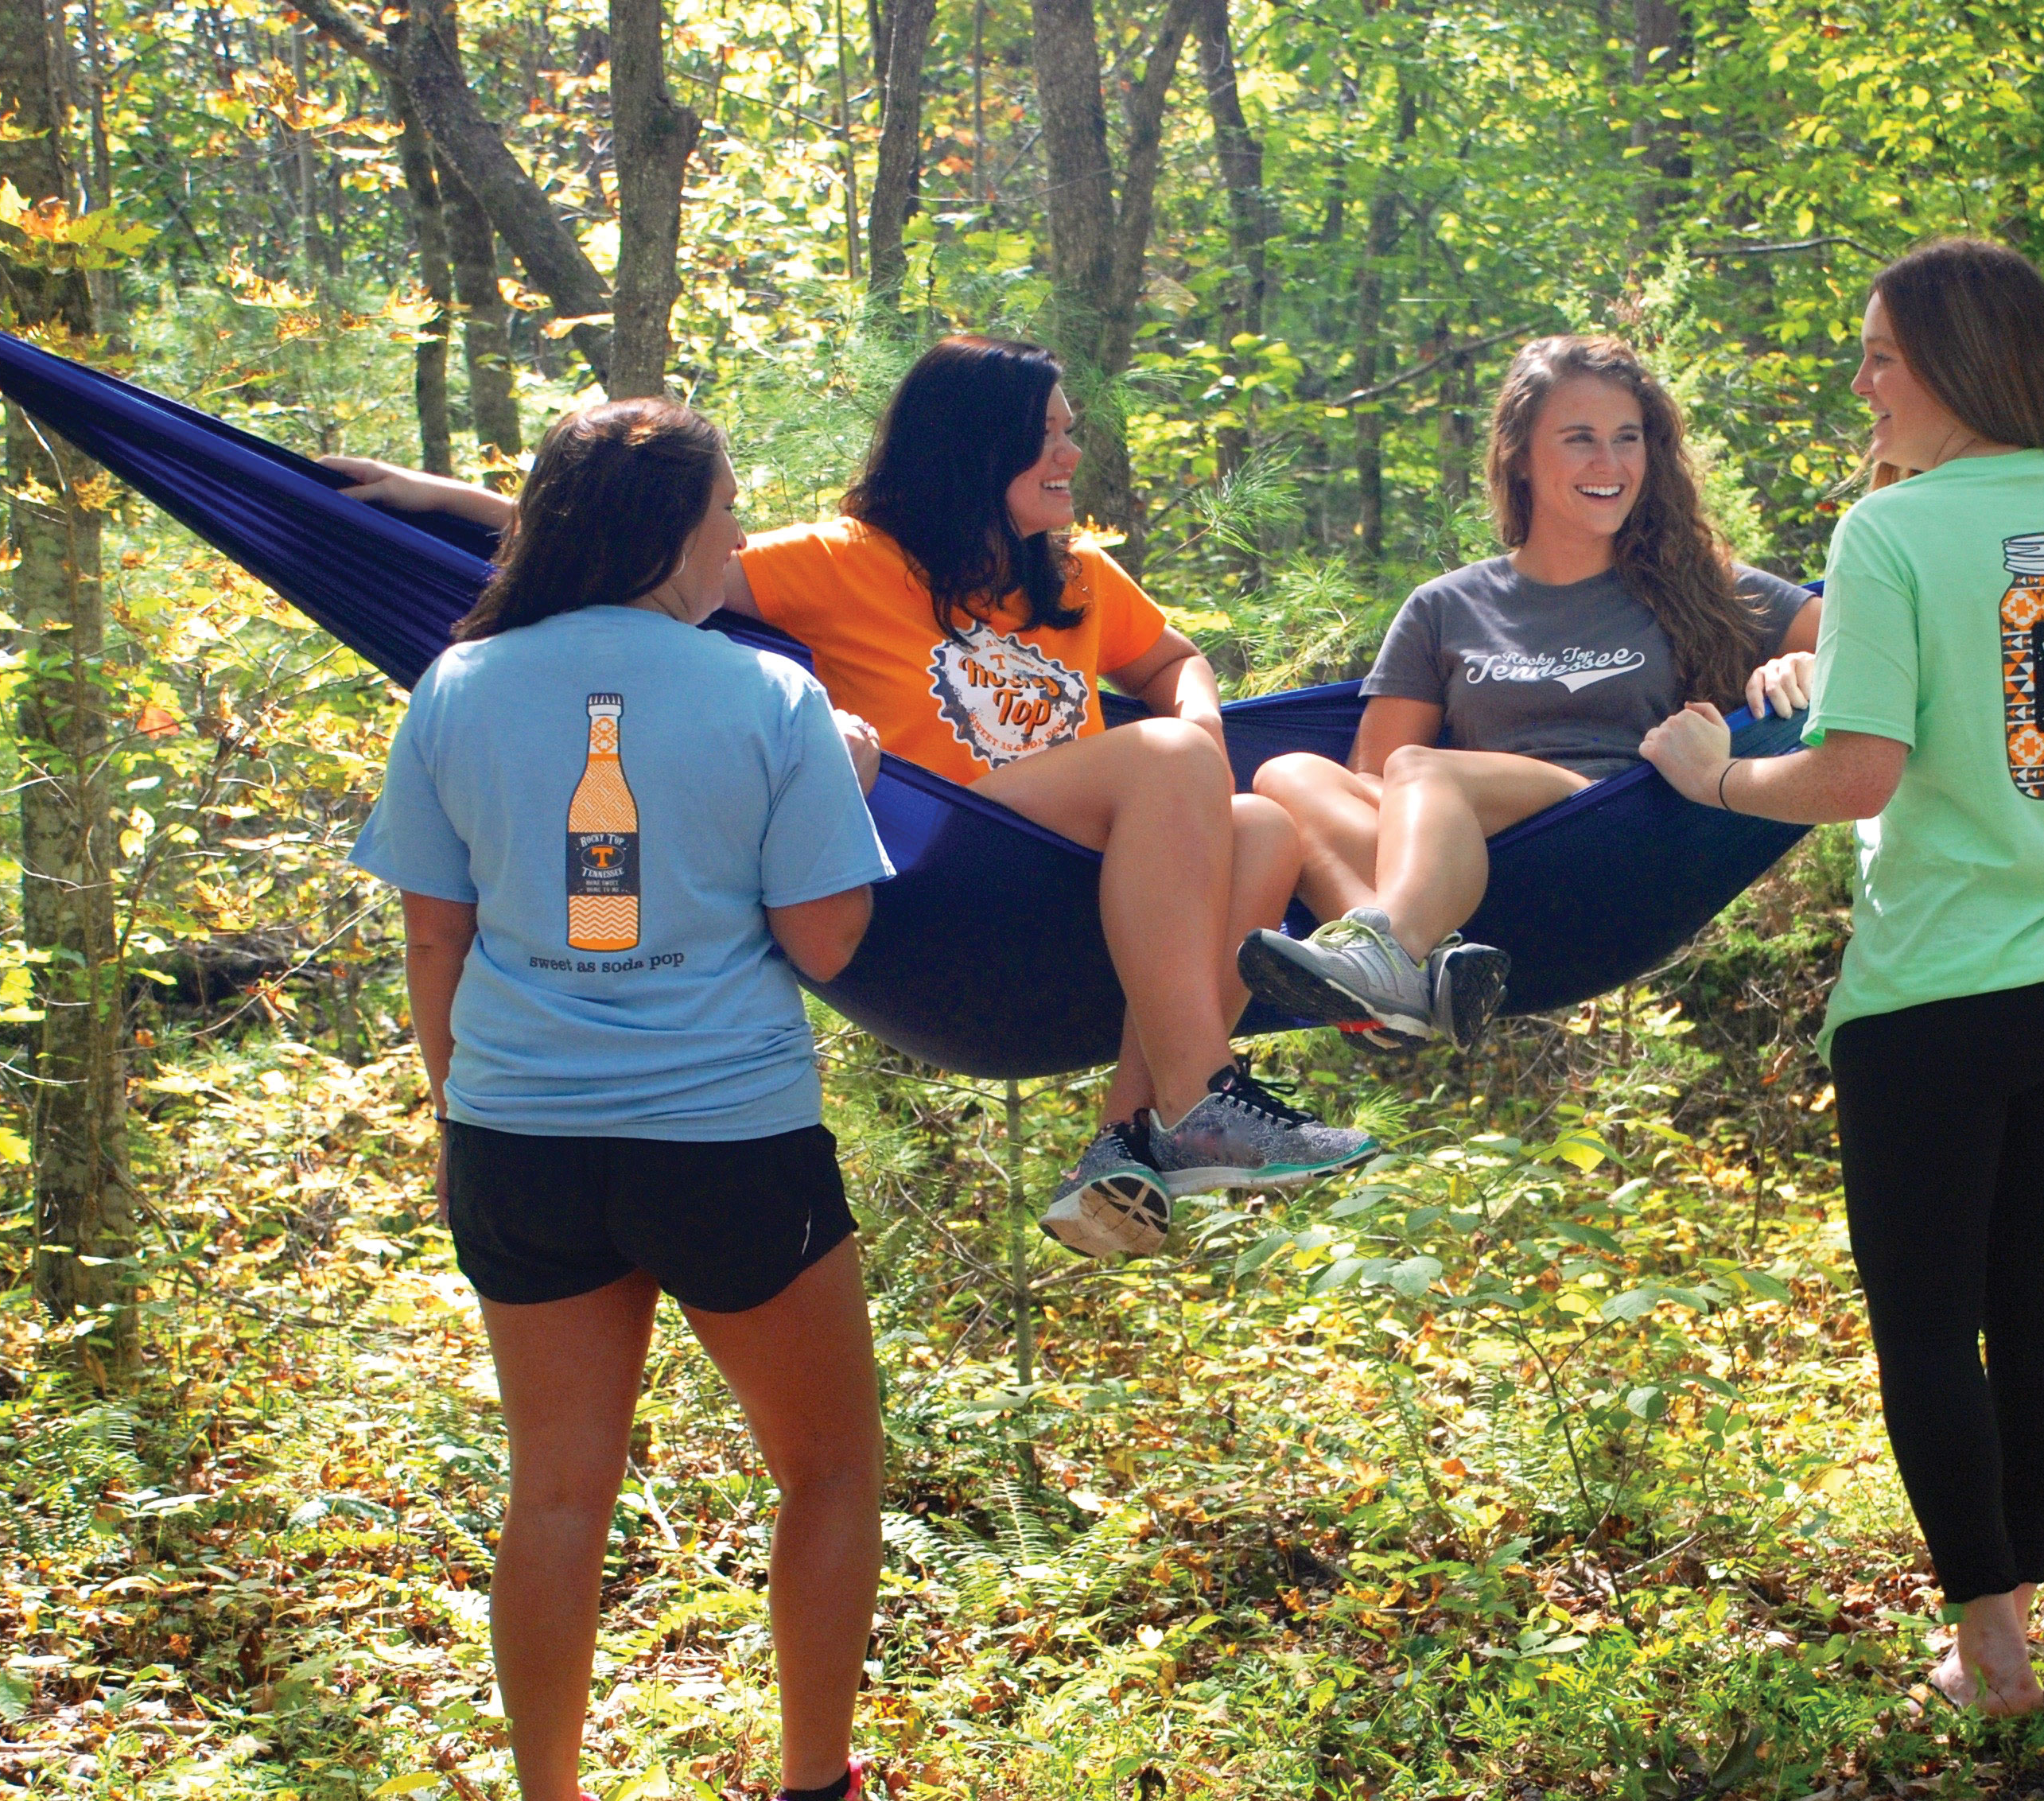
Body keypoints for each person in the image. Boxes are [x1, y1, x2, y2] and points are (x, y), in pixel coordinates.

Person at [328, 336, 1377, 1265]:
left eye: (1070, 432)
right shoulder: (842, 562)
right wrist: (433, 495)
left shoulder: (1078, 576)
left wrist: (1198, 723)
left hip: (1098, 891)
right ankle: (1201, 1096)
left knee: (1262, 821)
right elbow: (635, 541)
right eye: (1049, 436)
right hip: (951, 868)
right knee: (1168, 765)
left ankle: (1129, 1150)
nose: (1071, 456)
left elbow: (1178, 660)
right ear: (974, 447)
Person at [1638, 240, 2044, 1716]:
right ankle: (2014, 1605)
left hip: (1932, 988)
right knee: (2036, 1303)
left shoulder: (1893, 530)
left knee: (1930, 1320)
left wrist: (1714, 772)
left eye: (1877, 355)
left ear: (1944, 365)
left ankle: (1987, 1642)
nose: (1860, 385)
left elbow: (1860, 771)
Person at [348, 398, 952, 1801]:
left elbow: (437, 933)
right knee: (825, 1467)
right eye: (729, 508)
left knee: (555, 1488)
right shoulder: (771, 698)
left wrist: (465, 1104)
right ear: (676, 526)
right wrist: (849, 786)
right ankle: (814, 1800)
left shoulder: (460, 681)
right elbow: (825, 938)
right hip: (724, 1137)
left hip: (519, 1135)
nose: (741, 536)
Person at [1233, 336, 1822, 1052]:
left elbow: (1866, 647)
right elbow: (1370, 775)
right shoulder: (1446, 607)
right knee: (1285, 773)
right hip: (1469, 862)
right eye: (1580, 440)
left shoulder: (1700, 582)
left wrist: (1799, 669)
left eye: (1626, 439)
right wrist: (1433, 831)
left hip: (1605, 830)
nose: (1608, 464)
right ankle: (1411, 975)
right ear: (1520, 452)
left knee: (1423, 767)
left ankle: (1386, 960)